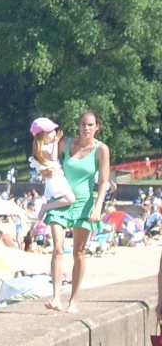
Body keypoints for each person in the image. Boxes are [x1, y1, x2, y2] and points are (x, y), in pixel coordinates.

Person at [44, 110, 111, 313]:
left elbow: (103, 181)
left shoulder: (101, 149)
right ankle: (56, 298)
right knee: (57, 248)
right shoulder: (67, 142)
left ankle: (73, 300)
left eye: (90, 125)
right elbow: (49, 158)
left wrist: (98, 206)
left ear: (97, 126)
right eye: (83, 124)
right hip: (61, 200)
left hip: (84, 203)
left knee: (78, 252)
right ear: (79, 125)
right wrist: (47, 170)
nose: (86, 128)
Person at [29, 117, 77, 222]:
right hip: (54, 178)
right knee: (71, 199)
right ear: (42, 135)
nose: (54, 133)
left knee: (70, 198)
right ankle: (46, 207)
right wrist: (56, 142)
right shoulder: (41, 149)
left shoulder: (49, 145)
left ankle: (46, 208)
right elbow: (53, 157)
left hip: (58, 176)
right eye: (50, 131)